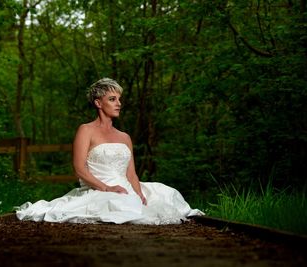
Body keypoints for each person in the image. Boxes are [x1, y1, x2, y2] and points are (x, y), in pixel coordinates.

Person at [16, 78, 204, 224]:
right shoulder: (86, 130)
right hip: (100, 188)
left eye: (119, 99)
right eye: (112, 99)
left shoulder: (124, 137)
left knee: (165, 195)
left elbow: (131, 174)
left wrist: (139, 194)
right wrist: (107, 188)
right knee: (120, 203)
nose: (119, 103)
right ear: (98, 103)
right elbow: (80, 169)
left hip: (126, 188)